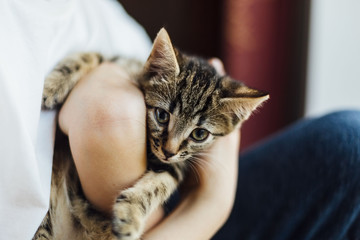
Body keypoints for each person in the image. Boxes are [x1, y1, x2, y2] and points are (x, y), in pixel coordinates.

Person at [2, 1, 360, 240]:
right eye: (162, 118)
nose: (171, 146)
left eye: (198, 134)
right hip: (151, 222)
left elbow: (129, 58)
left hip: (171, 205)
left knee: (349, 145)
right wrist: (212, 204)